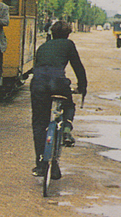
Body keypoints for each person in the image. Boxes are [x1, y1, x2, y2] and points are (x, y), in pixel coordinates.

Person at [29, 20, 88, 179]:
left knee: (39, 123)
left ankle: (41, 165)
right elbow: (78, 67)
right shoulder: (69, 44)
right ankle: (67, 129)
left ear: (52, 33)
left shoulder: (43, 46)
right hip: (58, 83)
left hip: (38, 84)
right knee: (68, 106)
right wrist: (82, 87)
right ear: (68, 34)